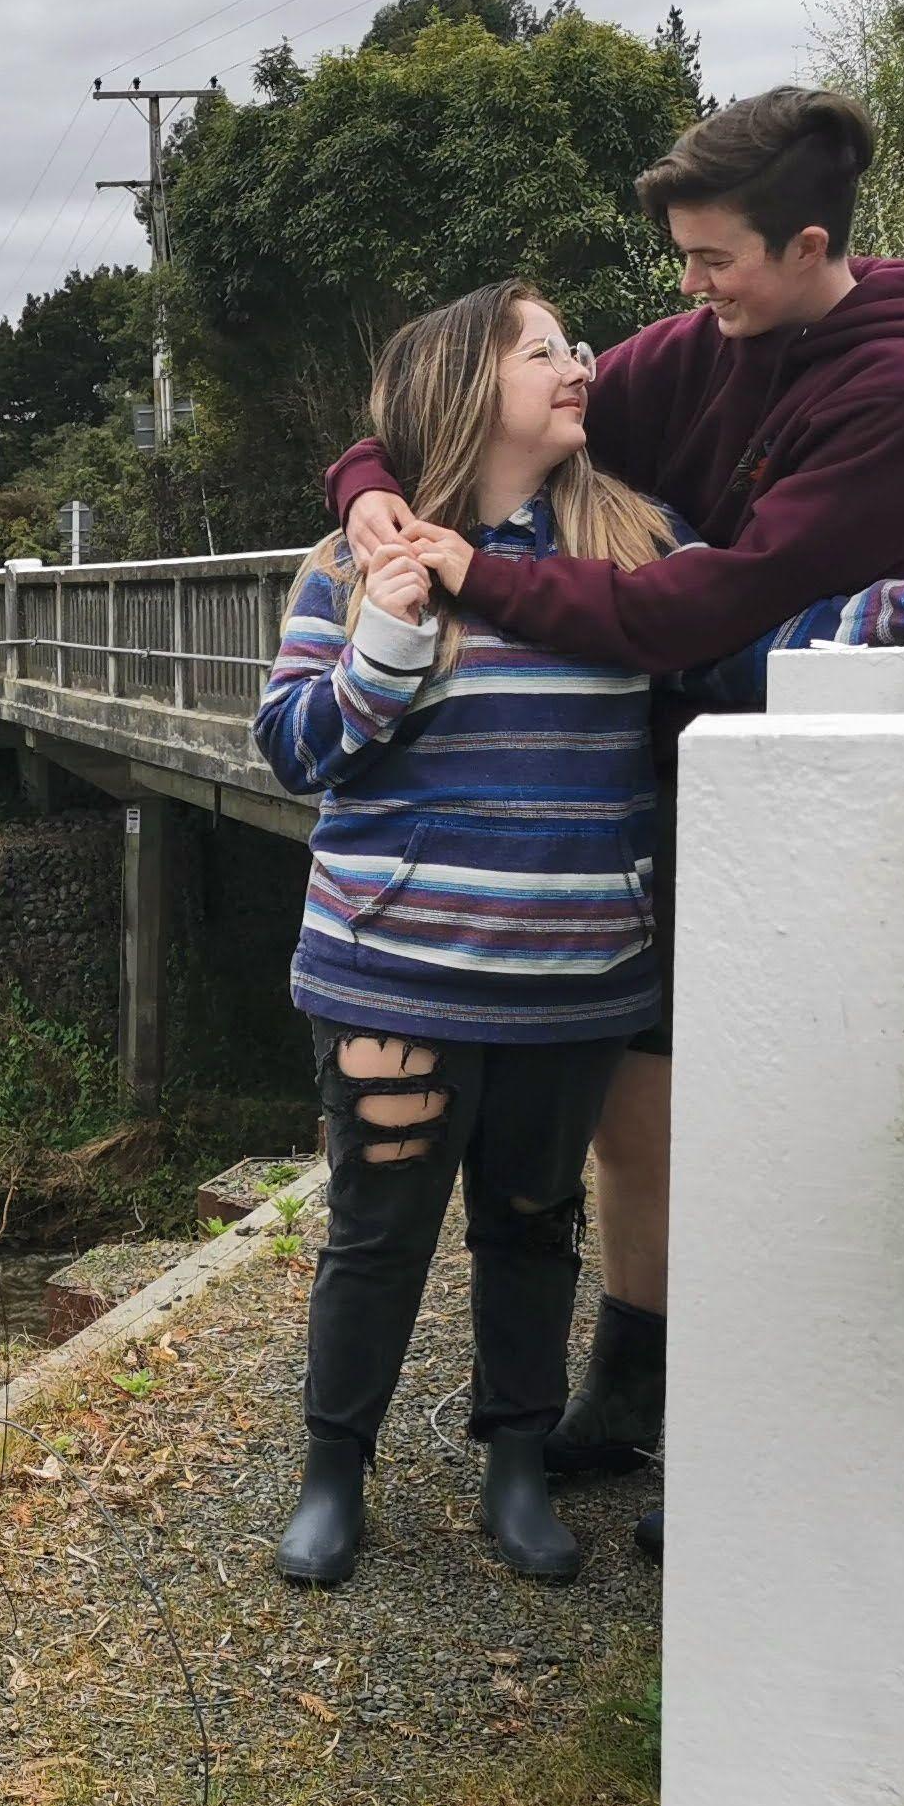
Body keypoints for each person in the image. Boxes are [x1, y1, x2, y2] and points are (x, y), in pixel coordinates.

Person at [323, 88, 904, 1544]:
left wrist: (470, 575)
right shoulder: (711, 342)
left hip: (815, 788)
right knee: (640, 1111)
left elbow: (707, 605)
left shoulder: (898, 397)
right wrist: (372, 487)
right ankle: (632, 1392)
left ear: (805, 241)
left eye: (712, 260)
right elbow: (453, 404)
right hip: (652, 785)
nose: (685, 292)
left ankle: (771, 1445)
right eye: (681, 262)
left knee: (793, 1116)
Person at [250, 278, 671, 1595]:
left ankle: (517, 1466)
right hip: (394, 971)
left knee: (535, 1227)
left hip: (571, 974)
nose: (574, 364)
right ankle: (334, 1472)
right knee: (379, 1229)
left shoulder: (634, 540)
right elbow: (289, 751)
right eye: (538, 349)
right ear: (460, 389)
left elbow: (756, 623)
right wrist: (379, 647)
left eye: (571, 344)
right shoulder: (350, 562)